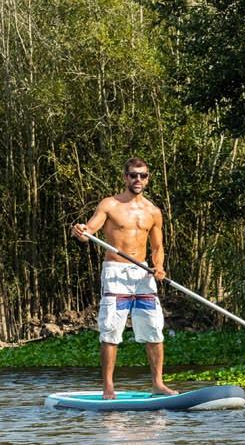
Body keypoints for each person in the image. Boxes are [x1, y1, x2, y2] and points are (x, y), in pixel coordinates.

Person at [71, 158, 172, 399]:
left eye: (143, 176)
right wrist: (81, 232)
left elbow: (157, 247)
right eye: (134, 175)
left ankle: (158, 384)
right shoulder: (110, 204)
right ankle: (108, 388)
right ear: (125, 177)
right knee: (111, 330)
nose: (138, 180)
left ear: (148, 179)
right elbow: (90, 231)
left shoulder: (153, 212)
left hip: (143, 274)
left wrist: (158, 267)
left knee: (154, 329)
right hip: (116, 273)